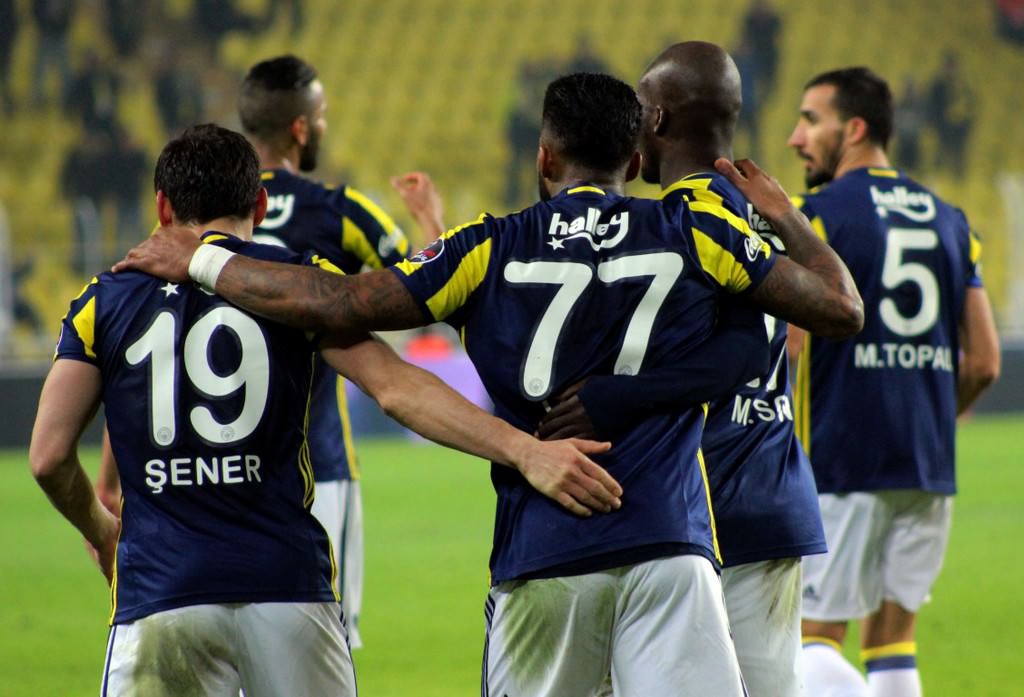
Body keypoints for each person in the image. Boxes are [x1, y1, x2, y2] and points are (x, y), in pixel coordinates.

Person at [116, 72, 862, 696]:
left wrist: (204, 260)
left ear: (544, 157)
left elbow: (342, 303)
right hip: (671, 549)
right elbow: (839, 309)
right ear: (635, 161)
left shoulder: (488, 247)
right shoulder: (693, 230)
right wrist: (787, 217)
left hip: (545, 552)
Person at [31, 123, 622, 696]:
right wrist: (525, 450)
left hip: (160, 591)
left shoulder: (103, 299)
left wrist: (103, 531)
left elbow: (49, 457)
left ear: (162, 207)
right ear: (259, 205)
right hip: (286, 587)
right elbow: (396, 389)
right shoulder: (298, 287)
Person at [93, 54, 443, 648]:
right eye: (321, 116)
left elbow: (140, 354)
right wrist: (431, 224)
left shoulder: (178, 230)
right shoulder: (340, 210)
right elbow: (423, 293)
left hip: (189, 478)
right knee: (317, 649)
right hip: (316, 469)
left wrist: (110, 479)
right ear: (302, 128)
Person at [537, 41, 837, 697]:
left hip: (695, 498)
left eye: (640, 108)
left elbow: (738, 352)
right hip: (774, 495)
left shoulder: (675, 221)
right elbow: (821, 311)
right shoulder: (762, 212)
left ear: (659, 118)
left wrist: (614, 397)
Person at [785, 67, 1001, 697]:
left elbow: (791, 347)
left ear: (854, 129)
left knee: (813, 640)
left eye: (811, 120)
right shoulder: (952, 221)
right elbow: (984, 362)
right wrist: (931, 417)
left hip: (841, 461)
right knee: (892, 643)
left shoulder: (815, 220)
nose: (797, 137)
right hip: (926, 464)